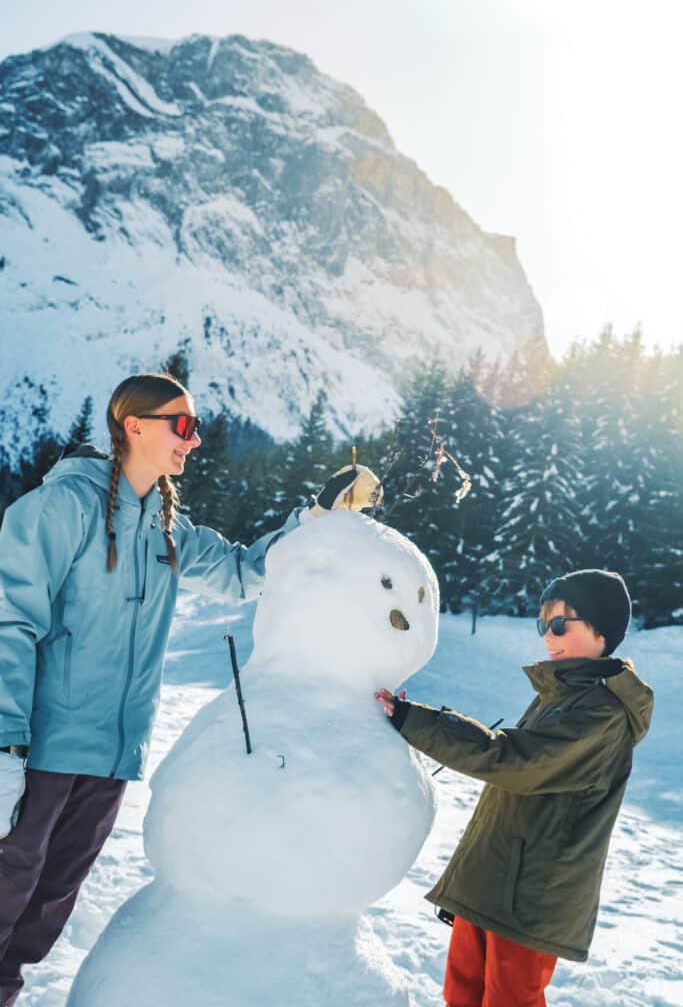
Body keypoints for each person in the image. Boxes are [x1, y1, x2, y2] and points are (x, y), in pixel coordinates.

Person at [0, 372, 380, 1007]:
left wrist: (316, 518)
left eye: (196, 427)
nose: (194, 439)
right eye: (182, 425)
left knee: (40, 917)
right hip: (38, 751)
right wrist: (5, 748)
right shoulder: (61, 508)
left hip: (110, 759)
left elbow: (243, 572)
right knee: (5, 894)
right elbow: (9, 621)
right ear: (134, 425)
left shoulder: (167, 528)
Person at [374, 568, 654, 1007]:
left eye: (559, 624)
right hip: (495, 876)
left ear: (602, 632)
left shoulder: (602, 713)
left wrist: (418, 722)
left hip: (533, 894)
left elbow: (513, 761)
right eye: (543, 625)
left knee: (509, 1000)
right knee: (461, 993)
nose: (548, 636)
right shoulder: (560, 694)